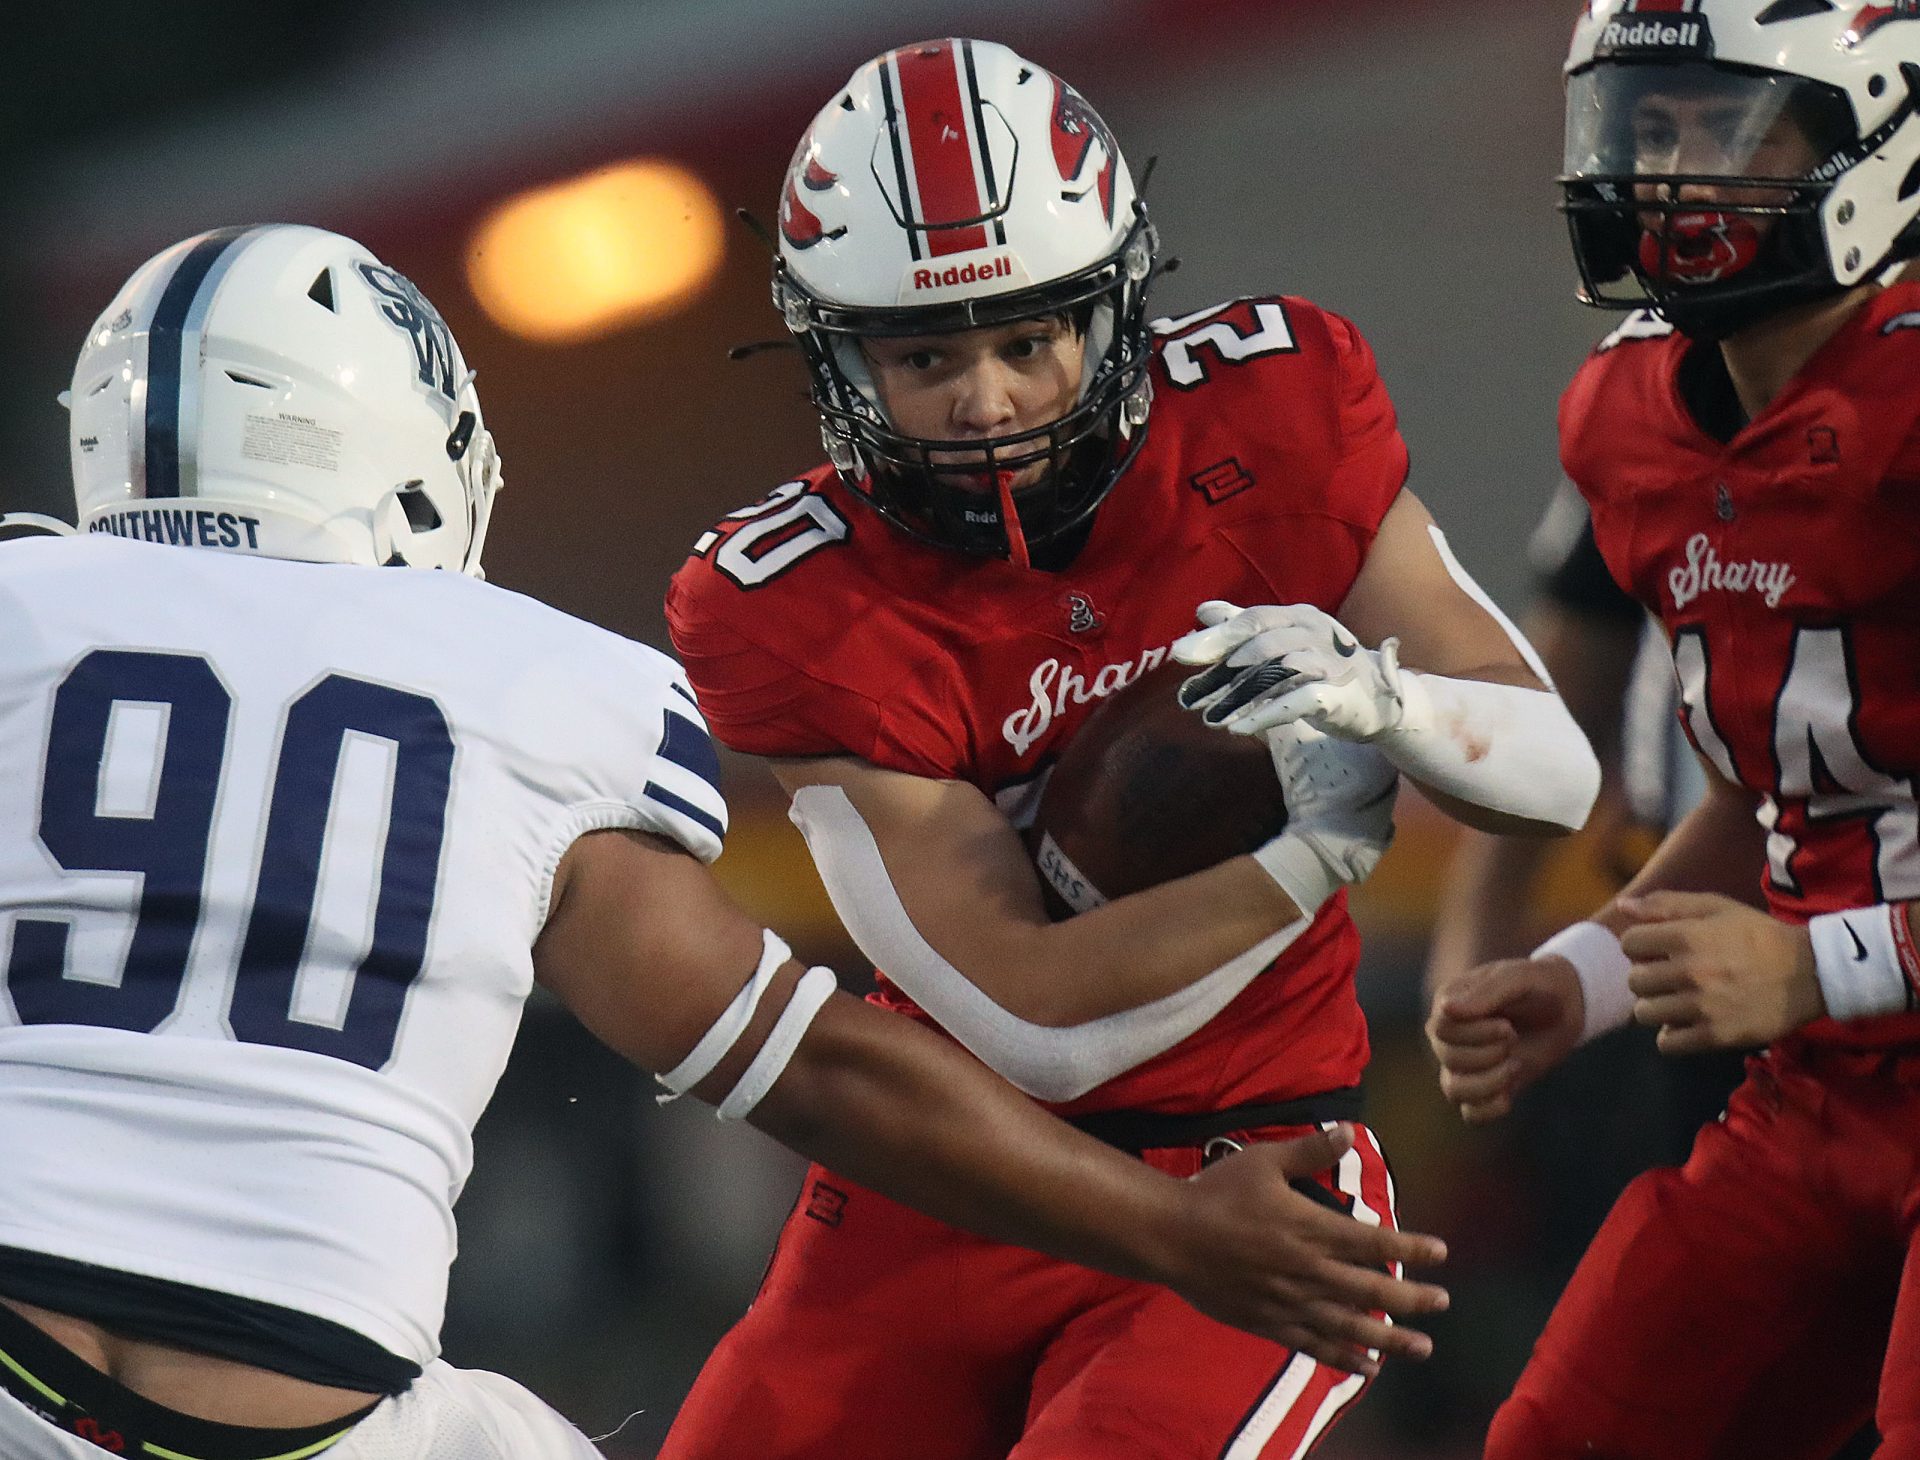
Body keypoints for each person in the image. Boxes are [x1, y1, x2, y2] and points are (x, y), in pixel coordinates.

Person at [0, 223, 1458, 1460]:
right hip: (310, 1407)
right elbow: (815, 1069)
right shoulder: (519, 681)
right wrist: (1179, 1230)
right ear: (412, 455)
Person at [663, 38, 1599, 1459]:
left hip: (1253, 1145)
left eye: (1028, 340)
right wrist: (1318, 850)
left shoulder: (1274, 410)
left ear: (1113, 310)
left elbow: (1558, 777)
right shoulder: (788, 600)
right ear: (838, 357)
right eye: (925, 355)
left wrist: (1387, 705)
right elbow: (1034, 1021)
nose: (985, 402)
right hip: (956, 1180)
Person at [1426, 3, 1920, 1455]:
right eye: (1652, 127)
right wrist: (1577, 978)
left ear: (1872, 136)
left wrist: (1811, 963)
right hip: (1823, 1084)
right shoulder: (1630, 420)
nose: (1676, 174)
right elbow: (1775, 796)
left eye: (1733, 125)